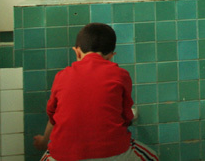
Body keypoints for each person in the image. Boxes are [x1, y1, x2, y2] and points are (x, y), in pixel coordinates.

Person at [33, 23, 159, 160]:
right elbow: (126, 116)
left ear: (77, 52)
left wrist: (44, 141)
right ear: (111, 56)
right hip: (112, 153)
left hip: (63, 155)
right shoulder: (120, 75)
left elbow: (53, 117)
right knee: (153, 157)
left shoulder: (61, 76)